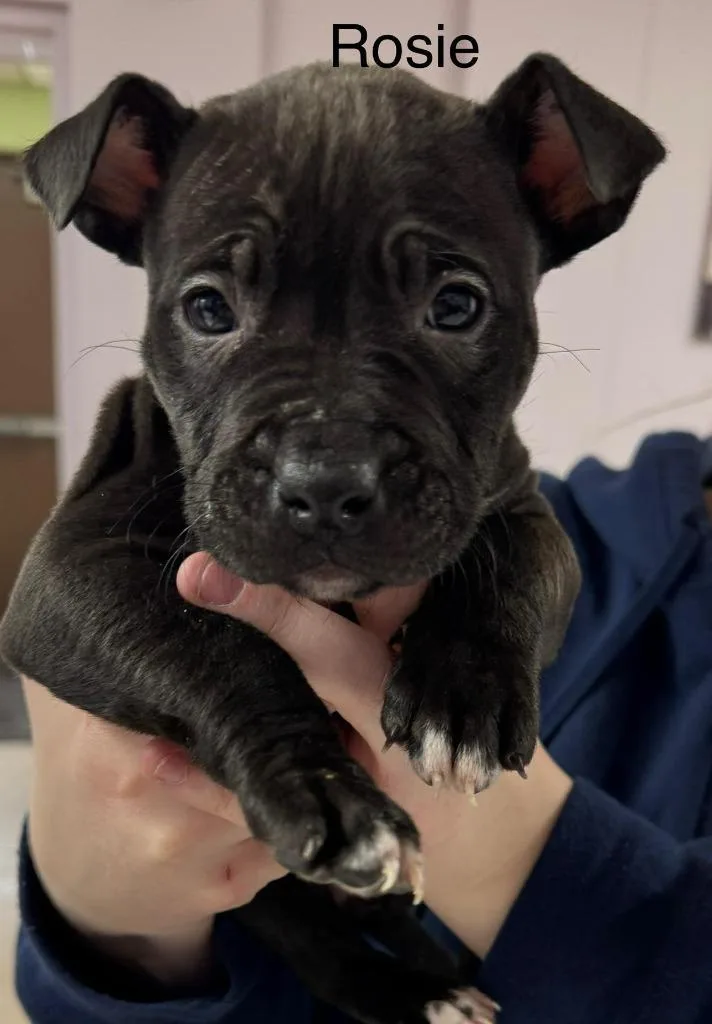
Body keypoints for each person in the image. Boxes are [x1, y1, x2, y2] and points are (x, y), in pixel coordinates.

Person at [14, 430, 712, 1024]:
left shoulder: (522, 530)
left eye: (451, 308)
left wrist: (525, 857)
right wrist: (110, 933)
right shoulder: (580, 515)